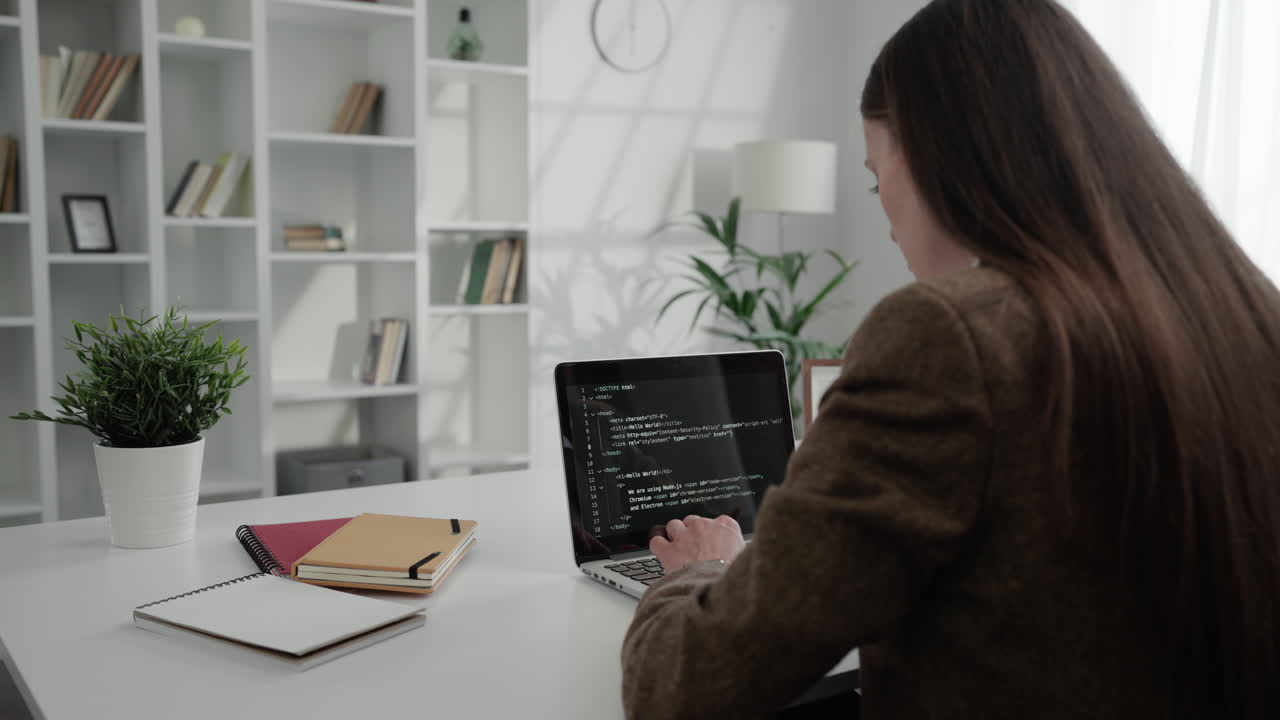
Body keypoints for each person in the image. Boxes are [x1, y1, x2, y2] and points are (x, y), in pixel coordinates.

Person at [620, 0, 1280, 718]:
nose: (888, 222)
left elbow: (682, 688)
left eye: (878, 182)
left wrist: (701, 571)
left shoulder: (949, 336)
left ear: (941, 153)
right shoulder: (1245, 313)